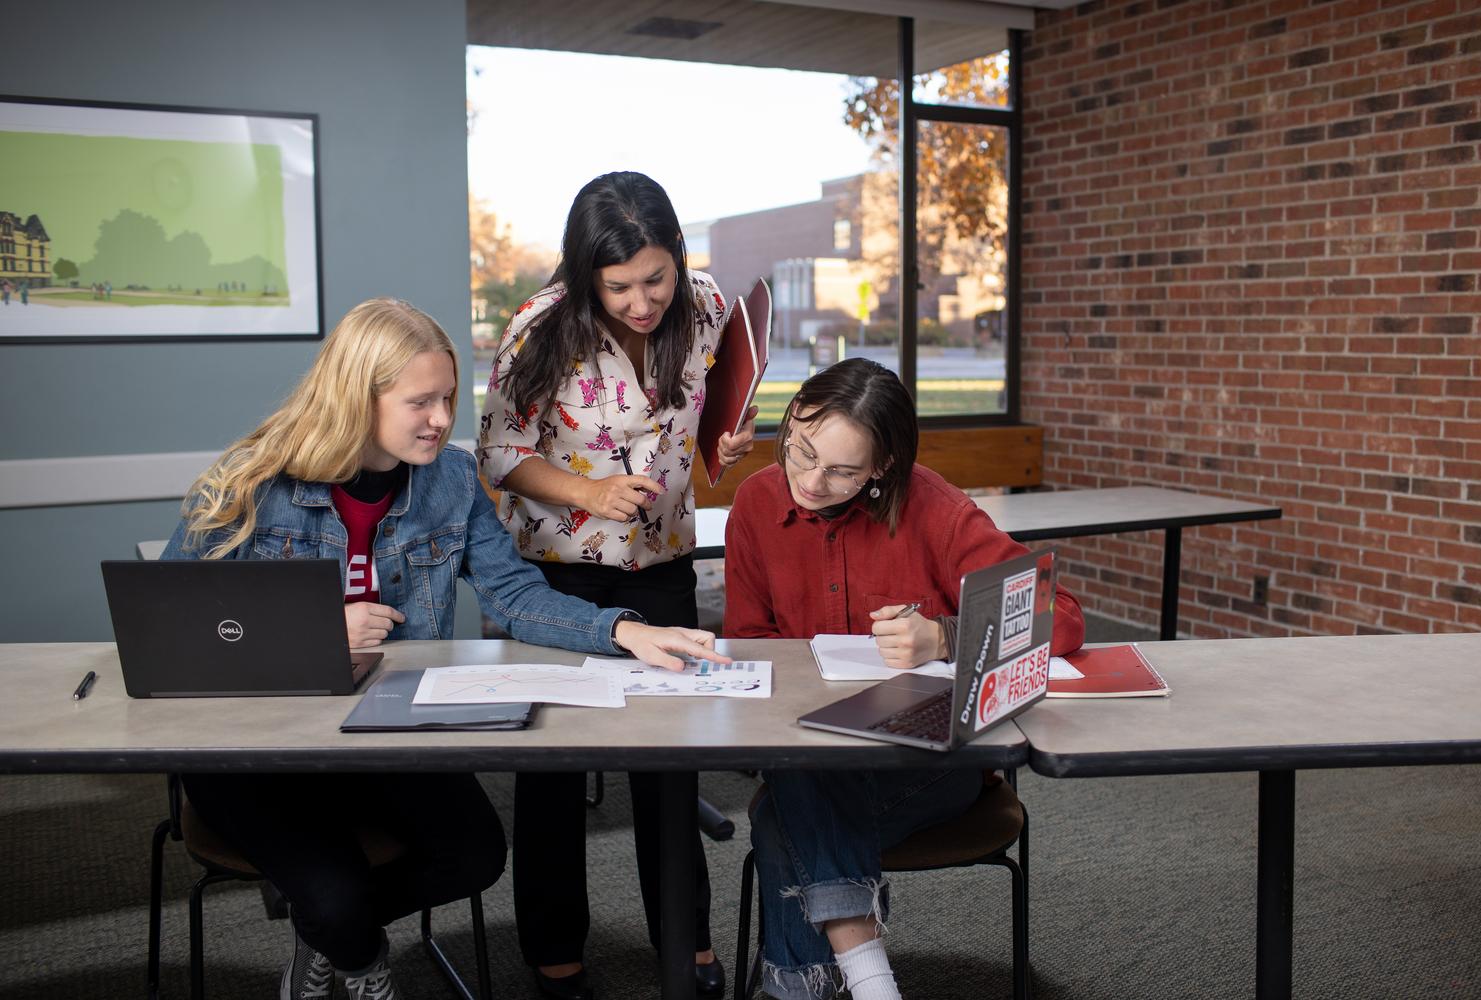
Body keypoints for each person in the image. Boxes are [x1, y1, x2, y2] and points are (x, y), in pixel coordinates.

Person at [164, 297, 726, 1000]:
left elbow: (515, 597)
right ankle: (359, 957)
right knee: (336, 895)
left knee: (476, 854)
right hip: (260, 746)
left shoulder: (450, 481)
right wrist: (307, 638)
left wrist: (623, 630)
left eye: (448, 398)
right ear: (356, 398)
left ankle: (330, 934)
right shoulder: (253, 480)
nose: (441, 419)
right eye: (419, 402)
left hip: (381, 735)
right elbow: (173, 630)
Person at [723, 358, 1087, 1000]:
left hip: (926, 763)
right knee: (799, 783)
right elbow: (749, 647)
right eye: (799, 450)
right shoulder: (756, 503)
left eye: (840, 471)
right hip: (808, 751)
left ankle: (830, 986)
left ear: (882, 466)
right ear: (791, 420)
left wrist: (943, 635)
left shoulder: (935, 508)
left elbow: (1060, 618)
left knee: (789, 814)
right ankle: (869, 981)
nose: (808, 480)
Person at [478, 170, 755, 1000]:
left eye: (656, 278)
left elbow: (697, 409)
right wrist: (588, 493)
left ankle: (690, 947)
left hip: (664, 558)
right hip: (555, 576)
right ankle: (557, 959)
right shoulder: (540, 328)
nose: (644, 302)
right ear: (585, 275)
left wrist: (721, 446)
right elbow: (497, 455)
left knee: (672, 764)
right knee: (555, 774)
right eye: (621, 286)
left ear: (678, 256)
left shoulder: (703, 303)